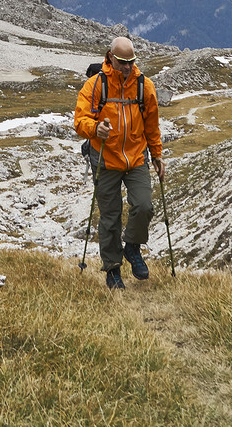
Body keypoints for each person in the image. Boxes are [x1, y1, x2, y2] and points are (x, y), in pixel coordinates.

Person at [74, 35, 165, 290]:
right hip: (105, 158)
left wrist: (156, 154)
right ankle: (112, 270)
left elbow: (152, 125)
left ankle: (133, 247)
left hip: (136, 157)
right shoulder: (95, 86)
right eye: (123, 62)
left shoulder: (144, 86)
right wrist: (95, 129)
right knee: (110, 217)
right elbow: (79, 121)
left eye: (131, 62)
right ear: (111, 58)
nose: (127, 67)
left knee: (144, 205)